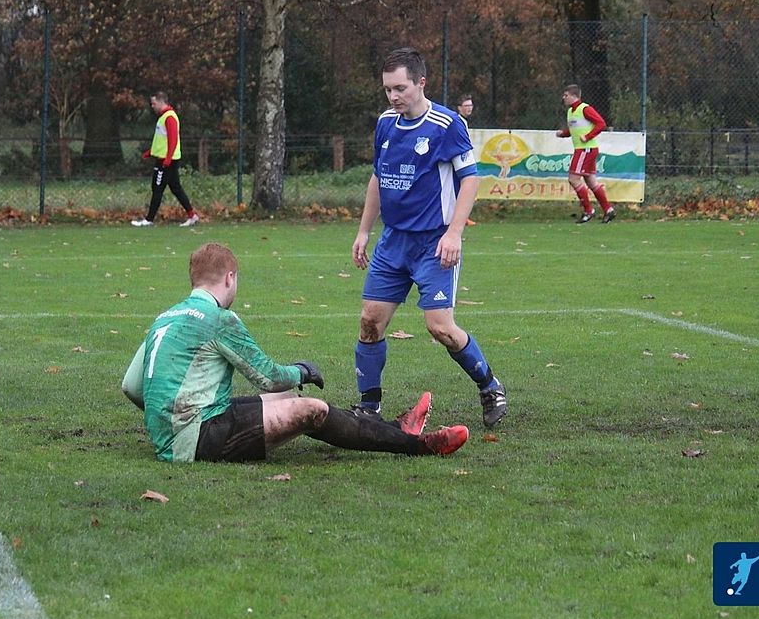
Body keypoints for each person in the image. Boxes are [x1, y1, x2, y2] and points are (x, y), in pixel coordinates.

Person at [121, 242, 470, 462]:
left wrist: (166, 419)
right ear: (229, 278)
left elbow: (132, 386)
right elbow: (269, 377)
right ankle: (420, 446)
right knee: (311, 408)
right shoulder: (219, 319)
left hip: (182, 430)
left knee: (287, 399)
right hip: (198, 438)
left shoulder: (167, 316)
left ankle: (397, 428)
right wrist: (302, 371)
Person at [351, 47, 507, 429]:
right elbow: (377, 177)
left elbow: (470, 179)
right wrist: (364, 230)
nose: (393, 96)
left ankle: (489, 386)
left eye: (400, 88)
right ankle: (368, 407)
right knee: (370, 322)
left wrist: (455, 232)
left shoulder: (447, 124)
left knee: (440, 328)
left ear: (421, 82)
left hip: (434, 244)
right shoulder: (386, 123)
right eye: (388, 89)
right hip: (393, 243)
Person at [132, 91, 200, 228]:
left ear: (161, 102)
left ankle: (149, 219)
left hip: (166, 161)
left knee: (157, 188)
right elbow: (161, 140)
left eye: (154, 103)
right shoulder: (164, 117)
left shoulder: (169, 117)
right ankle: (192, 215)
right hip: (165, 158)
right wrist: (150, 152)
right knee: (175, 188)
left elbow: (173, 139)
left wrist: (167, 158)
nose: (152, 106)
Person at [555, 84, 615, 224]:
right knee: (591, 181)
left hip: (586, 149)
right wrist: (563, 133)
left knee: (573, 178)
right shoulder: (571, 111)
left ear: (574, 96)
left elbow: (601, 123)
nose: (564, 98)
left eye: (566, 95)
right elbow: (574, 130)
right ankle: (608, 210)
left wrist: (587, 137)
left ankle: (588, 211)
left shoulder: (585, 109)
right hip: (584, 149)